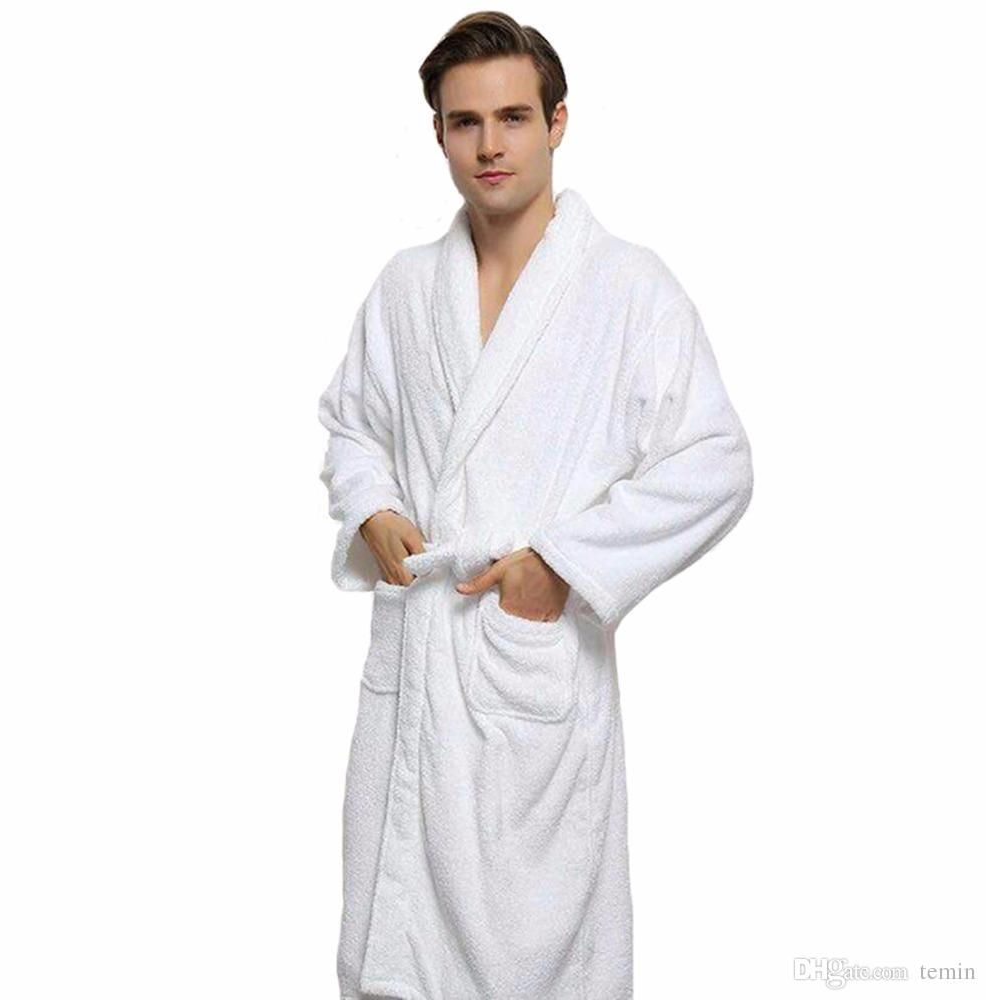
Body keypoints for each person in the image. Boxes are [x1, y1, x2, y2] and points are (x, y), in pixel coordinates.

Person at [317, 12, 754, 1000]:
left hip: (527, 677)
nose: (490, 145)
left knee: (539, 957)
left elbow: (716, 461)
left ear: (557, 122)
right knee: (394, 956)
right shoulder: (404, 288)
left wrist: (562, 562)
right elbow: (351, 425)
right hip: (415, 677)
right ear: (438, 134)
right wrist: (371, 505)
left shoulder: (627, 289)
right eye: (464, 122)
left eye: (513, 117)